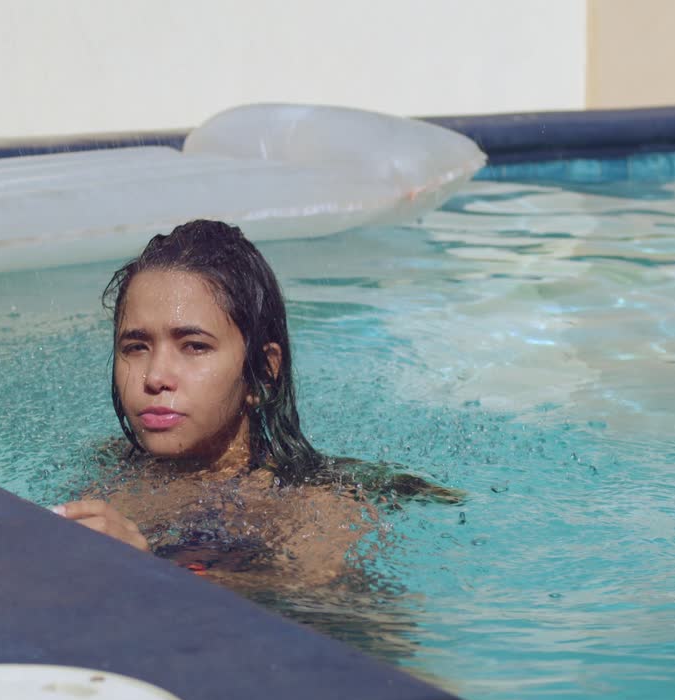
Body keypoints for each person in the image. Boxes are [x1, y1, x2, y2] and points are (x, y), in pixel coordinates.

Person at [51, 220, 460, 588]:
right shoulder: (111, 470)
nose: (155, 377)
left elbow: (365, 623)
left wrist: (150, 572)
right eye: (136, 346)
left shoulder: (313, 507)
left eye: (194, 346)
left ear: (263, 374)